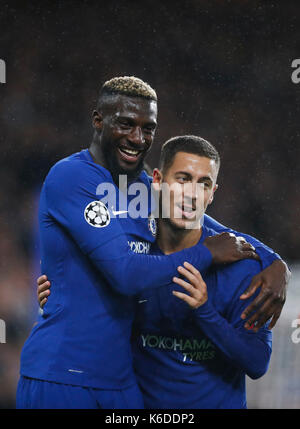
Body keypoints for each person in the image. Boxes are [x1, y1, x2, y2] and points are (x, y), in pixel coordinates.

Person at [21, 76, 288, 409]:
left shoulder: (145, 188)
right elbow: (127, 273)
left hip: (120, 384)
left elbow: (201, 220)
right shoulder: (71, 176)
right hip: (63, 374)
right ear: (98, 120)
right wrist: (205, 253)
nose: (137, 138)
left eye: (148, 129)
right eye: (126, 124)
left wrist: (275, 263)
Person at [131, 135, 273, 408]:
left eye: (203, 184)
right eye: (183, 178)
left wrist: (205, 312)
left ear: (212, 193)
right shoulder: (132, 256)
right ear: (158, 181)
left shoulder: (242, 266)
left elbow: (257, 362)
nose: (192, 193)